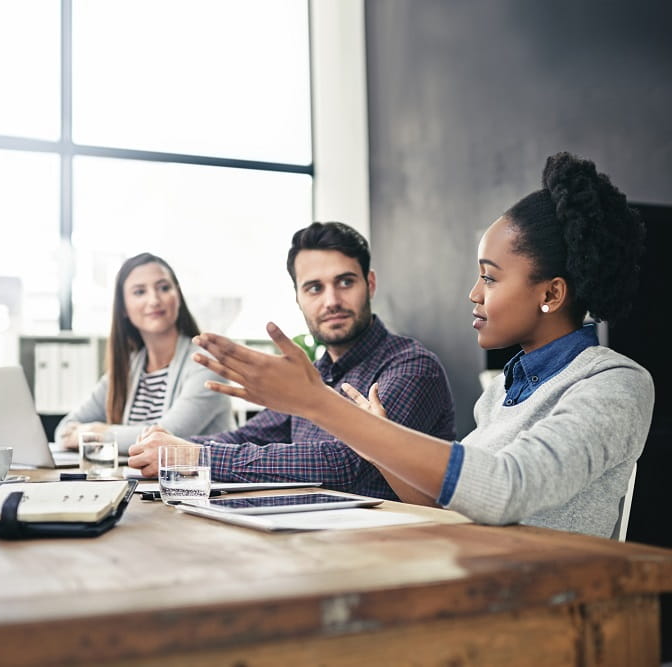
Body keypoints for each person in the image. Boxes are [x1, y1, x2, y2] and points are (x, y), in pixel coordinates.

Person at [191, 153, 653, 538]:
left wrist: (322, 406)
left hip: (542, 602)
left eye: (490, 278)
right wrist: (375, 439)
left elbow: (505, 488)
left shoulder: (616, 384)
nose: (474, 293)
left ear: (551, 293)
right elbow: (440, 504)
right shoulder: (501, 390)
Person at [127, 222, 456, 501]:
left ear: (369, 284)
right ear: (298, 297)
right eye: (314, 288)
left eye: (345, 282)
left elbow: (348, 465)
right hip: (312, 534)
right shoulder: (316, 373)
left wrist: (195, 457)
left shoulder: (412, 367)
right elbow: (250, 435)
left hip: (393, 544)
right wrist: (168, 447)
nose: (331, 301)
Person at [55, 252, 234, 455]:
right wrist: (93, 433)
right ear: (124, 308)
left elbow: (167, 437)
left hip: (202, 476)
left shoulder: (206, 363)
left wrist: (98, 433)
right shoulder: (129, 367)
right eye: (140, 292)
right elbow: (64, 430)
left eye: (164, 288)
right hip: (139, 475)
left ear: (178, 296)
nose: (154, 300)